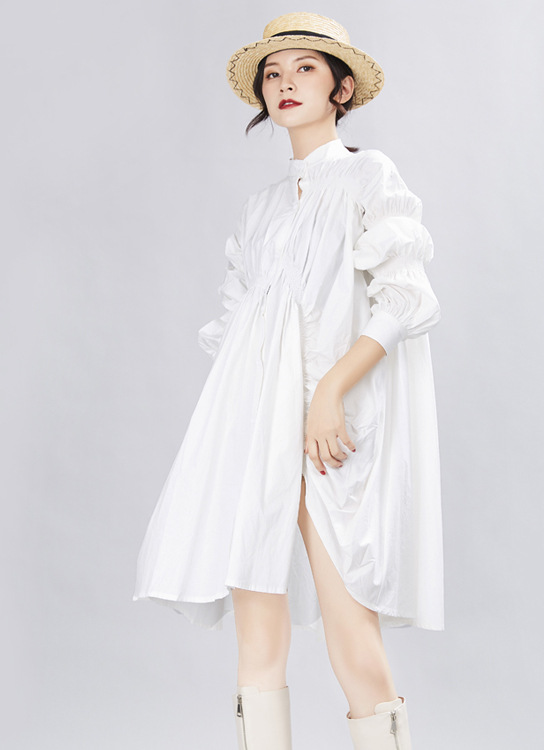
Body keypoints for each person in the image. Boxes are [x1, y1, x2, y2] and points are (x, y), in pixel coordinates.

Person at [133, 11, 444, 750]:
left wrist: (329, 392)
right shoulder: (263, 210)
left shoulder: (368, 175)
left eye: (305, 68)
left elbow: (406, 299)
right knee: (257, 637)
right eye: (272, 74)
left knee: (351, 632)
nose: (284, 84)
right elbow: (238, 328)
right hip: (255, 430)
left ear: (342, 88)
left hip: (333, 435)